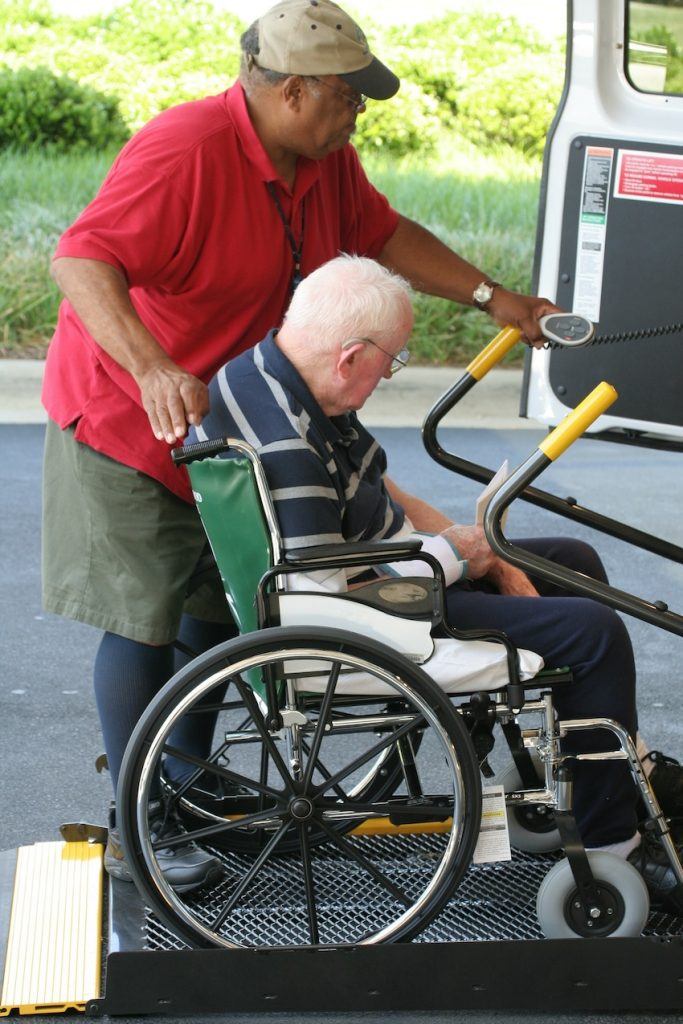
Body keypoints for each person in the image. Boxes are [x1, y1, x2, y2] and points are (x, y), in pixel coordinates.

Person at [42, 0, 561, 889]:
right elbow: (80, 258)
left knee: (222, 608)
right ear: (291, 91)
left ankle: (183, 786)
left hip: (233, 425)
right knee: (144, 615)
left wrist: (493, 298)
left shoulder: (322, 162)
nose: (358, 111)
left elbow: (384, 234)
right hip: (132, 420)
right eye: (347, 97)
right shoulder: (187, 149)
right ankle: (144, 824)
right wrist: (154, 368)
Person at [188, 253, 683, 915]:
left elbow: (375, 490)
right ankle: (610, 847)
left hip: (376, 574)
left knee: (569, 559)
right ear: (350, 356)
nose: (384, 379)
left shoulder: (272, 375)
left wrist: (477, 551)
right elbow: (319, 593)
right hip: (363, 616)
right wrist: (453, 555)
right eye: (388, 363)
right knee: (592, 634)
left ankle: (604, 769)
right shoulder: (286, 442)